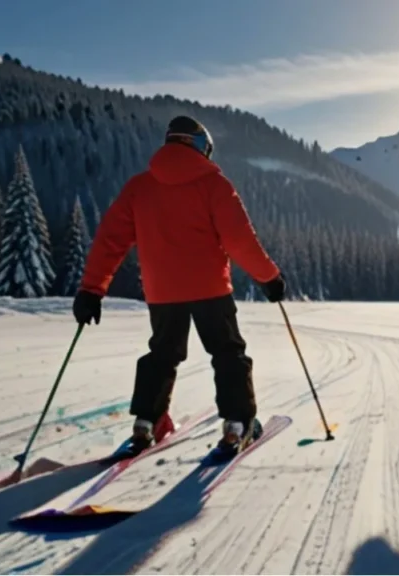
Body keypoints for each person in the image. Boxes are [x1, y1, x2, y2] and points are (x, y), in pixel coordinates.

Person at [72, 115, 286, 459]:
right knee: (228, 352)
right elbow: (240, 240)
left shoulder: (139, 187)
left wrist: (91, 289)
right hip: (211, 289)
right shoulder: (214, 184)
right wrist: (269, 278)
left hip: (163, 293)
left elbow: (109, 241)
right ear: (202, 146)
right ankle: (236, 425)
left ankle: (147, 423)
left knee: (162, 354)